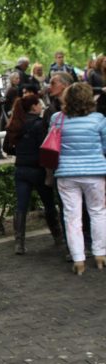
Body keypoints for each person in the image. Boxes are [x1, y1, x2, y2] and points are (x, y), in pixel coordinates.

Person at [49, 83, 106, 274]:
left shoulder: (57, 119)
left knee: (72, 217)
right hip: (95, 173)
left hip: (66, 174)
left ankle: (78, 259)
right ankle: (100, 254)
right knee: (98, 212)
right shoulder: (98, 119)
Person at [3, 95, 64, 255]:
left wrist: (21, 153)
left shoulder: (15, 123)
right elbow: (45, 147)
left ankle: (19, 243)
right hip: (38, 169)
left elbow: (6, 148)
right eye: (39, 104)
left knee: (21, 206)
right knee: (49, 204)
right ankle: (58, 236)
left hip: (21, 169)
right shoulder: (39, 124)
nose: (41, 107)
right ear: (34, 107)